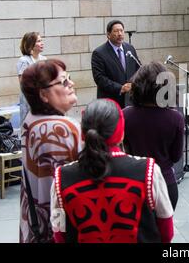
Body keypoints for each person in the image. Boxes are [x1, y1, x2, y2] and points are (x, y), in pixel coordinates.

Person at [50, 99, 174, 243]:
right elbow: (166, 227)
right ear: (121, 132)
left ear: (83, 133)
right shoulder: (149, 171)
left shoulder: (61, 178)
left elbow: (59, 231)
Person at [19, 59, 81, 243]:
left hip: (36, 224)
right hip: (60, 229)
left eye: (69, 78)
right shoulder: (62, 127)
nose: (71, 84)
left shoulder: (31, 119)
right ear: (44, 95)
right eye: (63, 81)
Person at [123, 62, 184, 210]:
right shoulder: (175, 118)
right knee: (164, 231)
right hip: (165, 182)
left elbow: (126, 150)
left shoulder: (125, 115)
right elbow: (176, 157)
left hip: (135, 181)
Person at [91, 20, 141, 108]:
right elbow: (99, 78)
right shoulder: (99, 53)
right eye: (116, 31)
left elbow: (138, 69)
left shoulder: (130, 48)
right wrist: (120, 88)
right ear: (108, 35)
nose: (120, 33)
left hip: (130, 101)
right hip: (111, 102)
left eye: (121, 30)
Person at [17, 32, 47, 125]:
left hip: (43, 97)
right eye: (38, 41)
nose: (42, 43)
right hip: (29, 100)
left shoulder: (44, 59)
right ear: (31, 45)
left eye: (41, 40)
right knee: (29, 126)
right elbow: (23, 83)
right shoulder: (24, 60)